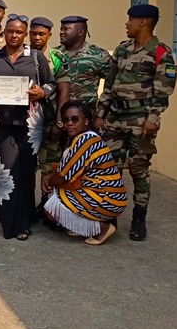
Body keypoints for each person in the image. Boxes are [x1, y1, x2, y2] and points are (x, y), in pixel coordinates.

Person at [94, 4, 176, 241]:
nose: (126, 24)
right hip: (115, 117)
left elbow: (163, 90)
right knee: (110, 169)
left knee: (139, 169)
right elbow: (109, 85)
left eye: (130, 20)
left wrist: (153, 119)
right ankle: (110, 217)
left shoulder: (161, 53)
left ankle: (139, 219)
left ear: (143, 22)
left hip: (141, 120)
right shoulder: (122, 50)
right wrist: (101, 114)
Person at [0, 14, 54, 240]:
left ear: (25, 34)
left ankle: (25, 218)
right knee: (5, 171)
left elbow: (51, 84)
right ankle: (11, 223)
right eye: (10, 31)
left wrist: (43, 92)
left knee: (26, 171)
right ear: (5, 33)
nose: (14, 35)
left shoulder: (37, 58)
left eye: (19, 32)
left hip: (30, 123)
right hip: (0, 123)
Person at [42, 101, 127, 245]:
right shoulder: (85, 137)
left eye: (75, 119)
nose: (69, 123)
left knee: (51, 208)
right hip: (102, 194)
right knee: (57, 191)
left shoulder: (86, 140)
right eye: (65, 119)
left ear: (86, 121)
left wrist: (48, 182)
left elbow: (64, 175)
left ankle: (102, 228)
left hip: (107, 198)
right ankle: (85, 227)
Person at [29, 16, 70, 215]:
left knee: (48, 165)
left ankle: (47, 207)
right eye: (34, 33)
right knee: (26, 165)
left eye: (41, 34)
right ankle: (26, 204)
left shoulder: (56, 57)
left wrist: (60, 121)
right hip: (25, 121)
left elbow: (64, 90)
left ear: (49, 35)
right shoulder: (22, 53)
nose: (37, 38)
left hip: (49, 119)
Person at [56, 16, 112, 113]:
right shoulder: (54, 54)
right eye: (61, 29)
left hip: (87, 117)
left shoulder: (99, 55)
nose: (61, 32)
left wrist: (101, 113)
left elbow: (111, 85)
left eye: (66, 29)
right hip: (58, 116)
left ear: (81, 32)